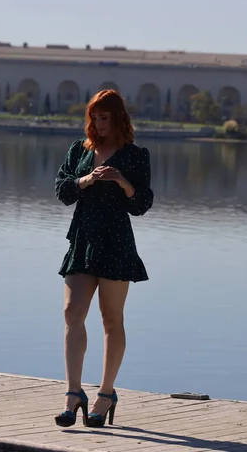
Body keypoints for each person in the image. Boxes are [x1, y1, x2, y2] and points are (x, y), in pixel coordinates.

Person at [54, 89, 154, 428]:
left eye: (104, 117)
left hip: (116, 244)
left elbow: (141, 204)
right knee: (72, 313)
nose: (98, 122)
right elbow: (62, 190)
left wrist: (122, 181)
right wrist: (86, 179)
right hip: (82, 240)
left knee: (112, 319)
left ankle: (107, 393)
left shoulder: (135, 155)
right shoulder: (79, 150)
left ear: (117, 118)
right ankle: (73, 392)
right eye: (94, 116)